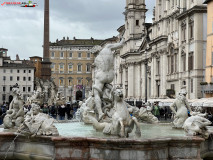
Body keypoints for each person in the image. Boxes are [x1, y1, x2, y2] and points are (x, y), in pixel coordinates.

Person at [92, 38, 125, 120]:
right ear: (100, 48)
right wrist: (123, 37)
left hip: (101, 75)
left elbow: (99, 68)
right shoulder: (107, 47)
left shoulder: (96, 59)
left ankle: (100, 113)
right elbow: (121, 44)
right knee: (106, 85)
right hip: (111, 75)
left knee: (96, 93)